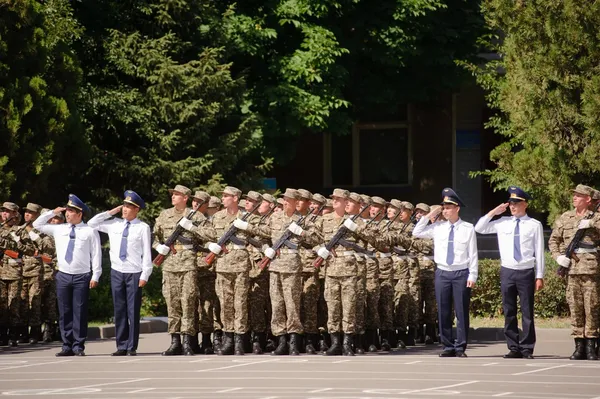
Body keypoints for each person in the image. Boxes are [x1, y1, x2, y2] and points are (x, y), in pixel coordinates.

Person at [475, 186, 545, 359]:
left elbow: (539, 251)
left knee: (527, 311)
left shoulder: (534, 225)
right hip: (508, 271)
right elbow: (479, 228)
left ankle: (527, 347)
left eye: (517, 203)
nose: (512, 206)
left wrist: (540, 275)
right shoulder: (502, 222)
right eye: (511, 203)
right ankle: (513, 347)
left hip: (526, 271)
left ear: (525, 204)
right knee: (509, 310)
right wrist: (493, 212)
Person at [33, 194, 102, 356]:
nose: (67, 214)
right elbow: (37, 224)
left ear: (80, 214)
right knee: (64, 311)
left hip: (82, 276)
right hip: (63, 275)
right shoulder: (59, 228)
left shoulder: (89, 231)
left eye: (71, 211)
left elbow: (96, 254)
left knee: (79, 311)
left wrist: (96, 275)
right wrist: (52, 213)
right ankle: (66, 345)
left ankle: (78, 345)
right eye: (67, 211)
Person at [413, 188, 478, 358]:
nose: (445, 210)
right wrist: (428, 216)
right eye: (444, 207)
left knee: (461, 311)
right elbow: (416, 232)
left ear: (457, 208)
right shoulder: (437, 227)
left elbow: (473, 253)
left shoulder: (467, 228)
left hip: (460, 273)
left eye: (449, 207)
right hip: (442, 272)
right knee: (443, 310)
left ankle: (460, 346)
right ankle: (447, 345)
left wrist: (473, 275)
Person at [88, 190, 153, 356]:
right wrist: (110, 212)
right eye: (124, 205)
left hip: (134, 272)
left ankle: (132, 346)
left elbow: (146, 252)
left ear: (137, 210)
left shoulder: (142, 227)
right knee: (119, 309)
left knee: (133, 310)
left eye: (129, 207)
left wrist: (145, 274)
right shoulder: (114, 224)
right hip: (117, 271)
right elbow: (91, 223)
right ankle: (121, 345)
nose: (125, 209)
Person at [548, 184, 600, 360]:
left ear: (588, 199)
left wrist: (592, 223)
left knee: (592, 307)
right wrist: (557, 257)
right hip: (571, 270)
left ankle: (591, 346)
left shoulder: (596, 217)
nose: (574, 198)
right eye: (574, 195)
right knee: (575, 308)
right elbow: (554, 240)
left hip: (592, 270)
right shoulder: (565, 217)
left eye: (579, 195)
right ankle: (579, 346)